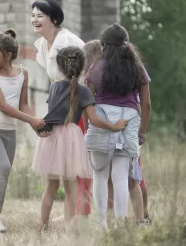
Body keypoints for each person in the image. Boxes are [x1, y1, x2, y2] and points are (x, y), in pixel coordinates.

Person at [33, 46, 127, 231]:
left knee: (51, 186)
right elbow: (93, 119)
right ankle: (69, 227)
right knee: (71, 187)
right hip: (71, 137)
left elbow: (52, 113)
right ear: (82, 66)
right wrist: (113, 126)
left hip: (52, 138)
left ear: (60, 67)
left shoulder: (54, 87)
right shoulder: (84, 91)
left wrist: (41, 129)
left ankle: (42, 225)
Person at [0, 30, 45, 233]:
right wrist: (32, 120)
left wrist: (36, 126)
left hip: (9, 131)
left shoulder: (23, 73)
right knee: (2, 166)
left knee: (3, 173)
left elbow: (23, 105)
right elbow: (3, 106)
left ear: (8, 55)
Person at [84, 23, 151, 230]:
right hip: (128, 123)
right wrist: (141, 132)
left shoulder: (96, 68)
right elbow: (147, 105)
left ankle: (101, 223)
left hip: (102, 120)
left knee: (100, 176)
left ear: (103, 45)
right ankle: (118, 225)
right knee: (121, 176)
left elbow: (88, 99)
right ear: (126, 44)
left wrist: (89, 126)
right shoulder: (138, 69)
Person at [31, 0, 92, 220]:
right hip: (57, 104)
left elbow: (86, 65)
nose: (34, 19)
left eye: (40, 15)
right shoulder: (42, 45)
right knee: (60, 178)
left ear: (54, 19)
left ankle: (79, 213)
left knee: (73, 172)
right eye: (33, 15)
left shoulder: (68, 40)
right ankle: (72, 215)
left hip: (73, 106)